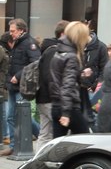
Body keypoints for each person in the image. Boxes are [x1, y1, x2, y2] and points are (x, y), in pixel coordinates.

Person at [1, 18, 41, 156]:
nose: (10, 33)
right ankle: (13, 146)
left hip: (22, 87)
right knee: (11, 117)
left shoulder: (30, 44)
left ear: (21, 30)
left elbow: (35, 63)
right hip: (13, 87)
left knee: (24, 117)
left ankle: (42, 134)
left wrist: (18, 76)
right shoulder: (18, 43)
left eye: (12, 31)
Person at [49, 21, 92, 138]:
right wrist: (66, 112)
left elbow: (59, 79)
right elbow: (67, 85)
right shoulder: (72, 57)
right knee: (86, 141)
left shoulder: (59, 52)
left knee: (58, 145)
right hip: (69, 107)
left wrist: (80, 74)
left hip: (57, 105)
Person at [36, 20, 69, 146]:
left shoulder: (47, 50)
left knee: (45, 134)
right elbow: (51, 77)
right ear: (63, 34)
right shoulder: (56, 51)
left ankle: (38, 162)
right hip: (51, 99)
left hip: (42, 97)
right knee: (62, 133)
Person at [80, 25, 109, 126]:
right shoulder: (78, 46)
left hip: (93, 90)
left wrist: (95, 86)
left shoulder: (101, 47)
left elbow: (104, 70)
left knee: (93, 119)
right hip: (80, 89)